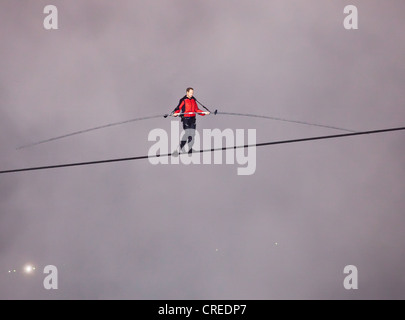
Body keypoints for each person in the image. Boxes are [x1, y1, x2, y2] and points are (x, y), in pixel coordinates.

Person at [171, 87, 210, 155]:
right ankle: (180, 148)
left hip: (192, 119)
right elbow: (178, 108)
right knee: (188, 134)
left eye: (192, 93)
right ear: (187, 92)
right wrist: (175, 113)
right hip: (186, 119)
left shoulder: (193, 100)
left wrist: (204, 113)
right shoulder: (183, 100)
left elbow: (196, 110)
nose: (192, 94)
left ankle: (190, 149)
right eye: (191, 93)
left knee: (192, 135)